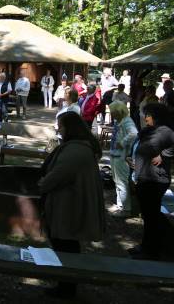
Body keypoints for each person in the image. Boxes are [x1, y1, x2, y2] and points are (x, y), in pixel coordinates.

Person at [39, 111, 105, 298]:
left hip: (69, 205)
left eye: (61, 125)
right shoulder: (79, 146)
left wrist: (42, 185)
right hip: (70, 201)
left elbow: (59, 174)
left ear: (71, 128)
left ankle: (67, 286)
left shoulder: (76, 150)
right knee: (66, 244)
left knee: (65, 245)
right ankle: (66, 282)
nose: (59, 129)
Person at [130, 103, 174, 260]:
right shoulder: (149, 131)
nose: (145, 117)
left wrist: (164, 155)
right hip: (144, 178)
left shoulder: (164, 131)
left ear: (156, 116)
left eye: (148, 115)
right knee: (148, 216)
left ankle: (151, 251)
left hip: (155, 180)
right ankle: (145, 246)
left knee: (152, 217)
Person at [108, 101, 138, 217]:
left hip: (122, 155)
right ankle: (120, 205)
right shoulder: (118, 120)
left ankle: (126, 209)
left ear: (119, 111)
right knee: (116, 180)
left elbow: (134, 133)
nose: (112, 114)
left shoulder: (127, 121)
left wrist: (123, 142)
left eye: (113, 112)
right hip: (115, 154)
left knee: (122, 181)